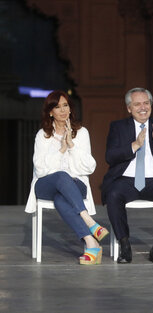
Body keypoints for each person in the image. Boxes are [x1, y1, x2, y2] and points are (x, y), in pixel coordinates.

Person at [25, 90, 109, 265]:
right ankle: (90, 222)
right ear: (50, 112)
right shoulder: (42, 135)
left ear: (70, 109)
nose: (62, 110)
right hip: (45, 185)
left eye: (65, 106)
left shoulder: (82, 133)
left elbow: (89, 167)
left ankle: (91, 243)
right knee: (62, 177)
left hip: (75, 185)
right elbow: (40, 170)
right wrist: (61, 149)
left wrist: (72, 146)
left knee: (61, 199)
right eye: (57, 107)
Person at [102, 87, 153, 264]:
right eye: (137, 104)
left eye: (146, 103)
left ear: (151, 105)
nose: (143, 107)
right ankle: (124, 246)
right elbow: (110, 156)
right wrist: (134, 145)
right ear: (129, 108)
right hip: (126, 179)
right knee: (113, 194)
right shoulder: (118, 127)